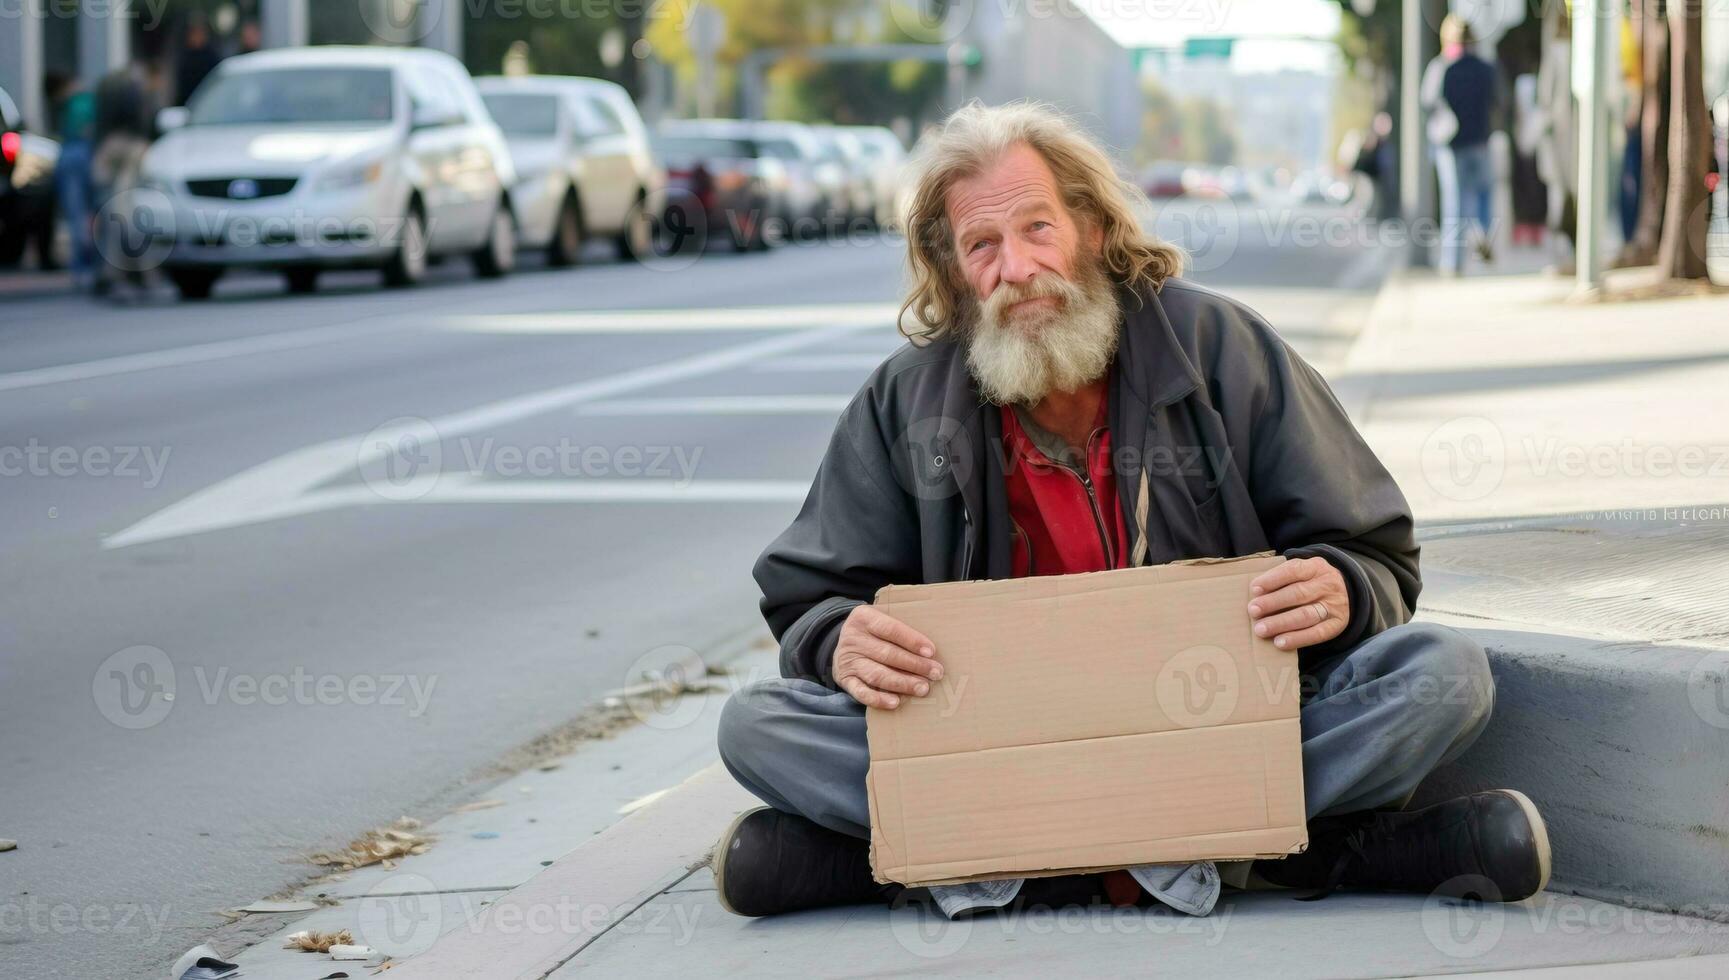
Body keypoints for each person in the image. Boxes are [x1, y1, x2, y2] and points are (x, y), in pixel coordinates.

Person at [711, 101, 1551, 921]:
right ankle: (1231, 854)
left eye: (1036, 228)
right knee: (755, 723)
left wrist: (1340, 587)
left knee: (1442, 673)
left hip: (1213, 734)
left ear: (1094, 231)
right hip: (995, 757)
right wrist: (837, 637)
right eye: (982, 245)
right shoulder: (905, 402)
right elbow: (812, 595)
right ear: (956, 273)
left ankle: (986, 867)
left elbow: (1372, 550)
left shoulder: (1223, 352)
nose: (1016, 268)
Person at [1422, 15, 1502, 276]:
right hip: (1481, 140)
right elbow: (1498, 100)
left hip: (1451, 145)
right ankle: (1482, 233)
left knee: (1455, 203)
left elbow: (1428, 102)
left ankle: (1452, 262)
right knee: (1483, 196)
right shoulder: (1485, 67)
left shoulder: (1442, 67)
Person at [53, 79, 98, 289]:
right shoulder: (90, 101)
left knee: (76, 215)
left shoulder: (69, 103)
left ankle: (80, 270)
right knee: (93, 214)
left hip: (71, 154)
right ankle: (93, 268)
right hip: (90, 154)